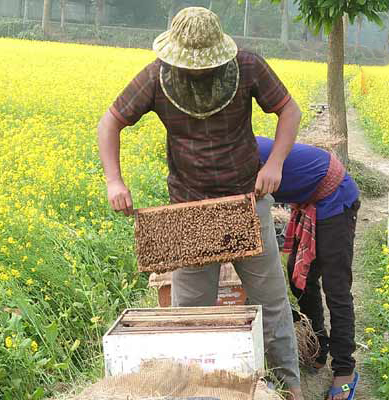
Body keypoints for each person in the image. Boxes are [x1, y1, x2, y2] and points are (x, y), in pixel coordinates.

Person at [96, 7, 304, 400]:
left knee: (271, 303)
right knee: (190, 315)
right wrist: (114, 181)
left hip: (246, 199)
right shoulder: (155, 76)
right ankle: (196, 390)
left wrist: (275, 162)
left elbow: (288, 109)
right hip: (189, 210)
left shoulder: (248, 65)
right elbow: (110, 122)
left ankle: (289, 388)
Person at [257, 136, 361, 400]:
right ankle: (319, 346)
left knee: (336, 287)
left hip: (334, 195)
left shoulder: (243, 156)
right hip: (310, 200)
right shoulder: (225, 160)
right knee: (299, 277)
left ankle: (345, 368)